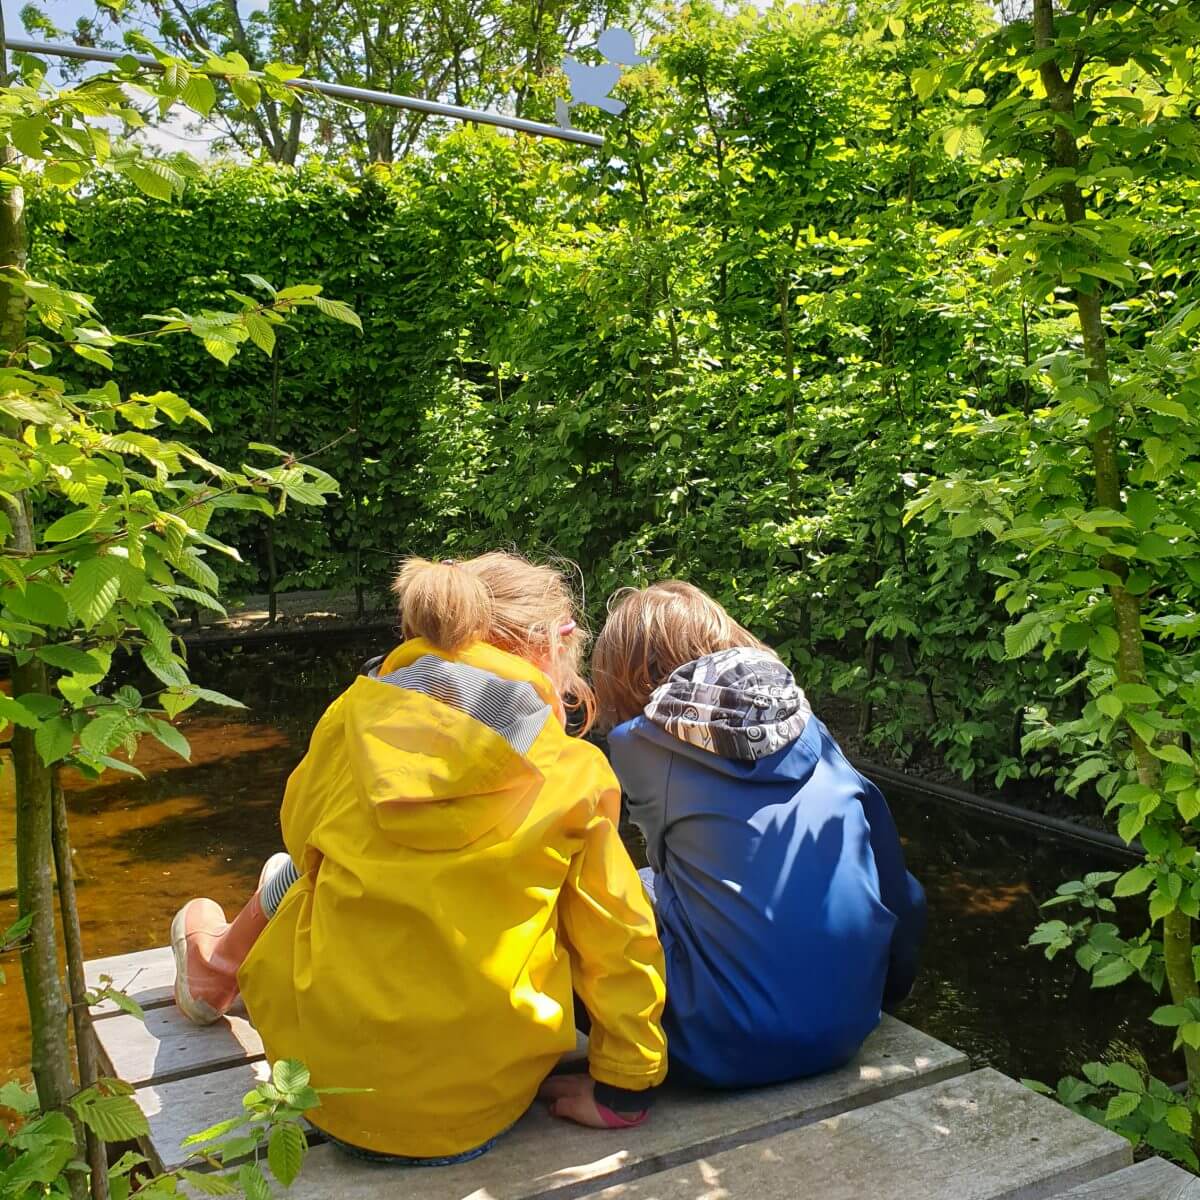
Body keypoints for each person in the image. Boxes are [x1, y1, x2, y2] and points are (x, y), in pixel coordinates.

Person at [170, 553, 667, 1162]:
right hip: (486, 1103)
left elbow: (301, 836)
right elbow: (619, 936)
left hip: (331, 1093)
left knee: (295, 873)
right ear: (553, 643)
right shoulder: (575, 771)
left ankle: (215, 967)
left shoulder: (351, 716)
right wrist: (626, 1079)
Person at [592, 580, 925, 1090]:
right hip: (846, 1031)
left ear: (634, 672)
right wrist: (882, 990)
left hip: (712, 1049)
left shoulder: (639, 747)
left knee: (595, 897)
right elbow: (900, 893)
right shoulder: (809, 725)